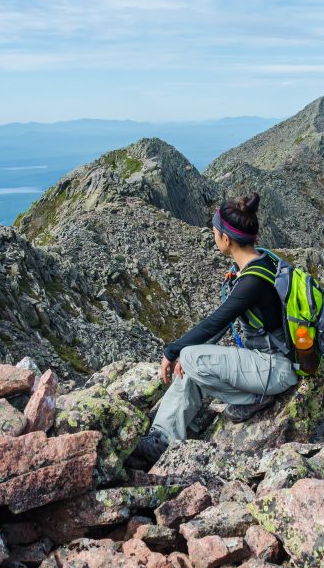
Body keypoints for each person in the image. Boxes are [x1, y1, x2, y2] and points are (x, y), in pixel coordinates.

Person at [125, 192, 298, 470]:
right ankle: (162, 438)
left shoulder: (253, 279)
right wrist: (183, 355)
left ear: (226, 239)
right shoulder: (259, 265)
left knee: (190, 357)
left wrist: (172, 351)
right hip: (264, 364)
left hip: (273, 369)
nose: (213, 237)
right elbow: (223, 323)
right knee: (189, 362)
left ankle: (254, 398)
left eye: (215, 232)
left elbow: (216, 321)